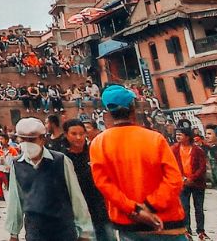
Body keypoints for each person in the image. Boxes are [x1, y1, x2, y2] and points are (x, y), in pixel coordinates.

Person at [89, 84, 184, 240]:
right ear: (133, 107)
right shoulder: (155, 138)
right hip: (167, 223)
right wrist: (149, 206)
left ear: (108, 112)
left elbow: (104, 184)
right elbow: (174, 180)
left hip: (129, 224)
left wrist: (135, 210)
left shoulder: (99, 143)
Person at [4, 116, 93, 240]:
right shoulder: (17, 164)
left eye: (31, 139)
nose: (26, 143)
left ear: (42, 139)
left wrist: (84, 231)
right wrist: (14, 233)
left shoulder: (61, 160)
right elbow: (15, 200)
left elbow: (76, 197)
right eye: (23, 139)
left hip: (63, 229)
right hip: (35, 230)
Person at [62, 119, 113, 241]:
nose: (78, 137)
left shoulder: (94, 152)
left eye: (81, 133)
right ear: (66, 135)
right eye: (73, 134)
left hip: (99, 208)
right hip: (76, 211)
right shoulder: (62, 158)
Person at [171, 127, 207, 239]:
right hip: (182, 183)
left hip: (197, 183)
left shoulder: (197, 150)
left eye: (180, 134)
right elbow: (172, 165)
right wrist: (182, 178)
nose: (178, 136)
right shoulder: (174, 149)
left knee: (199, 207)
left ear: (187, 136)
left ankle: (200, 230)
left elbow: (202, 167)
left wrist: (192, 178)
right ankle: (187, 230)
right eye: (177, 134)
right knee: (184, 207)